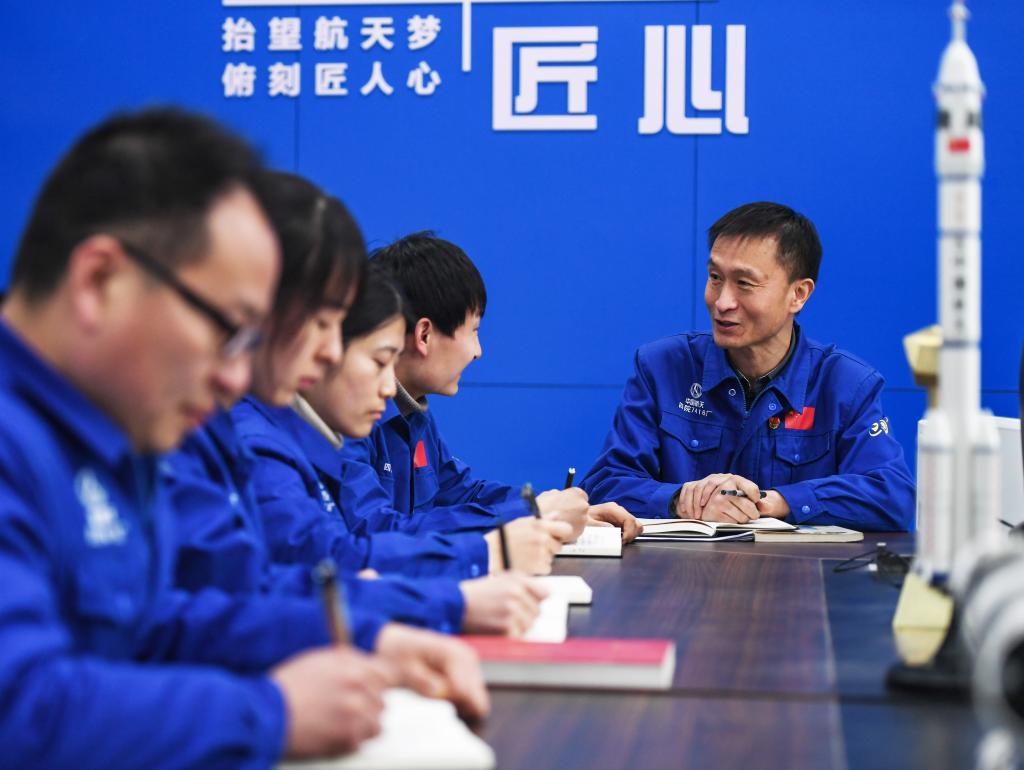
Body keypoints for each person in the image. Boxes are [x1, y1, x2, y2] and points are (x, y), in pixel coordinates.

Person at [0, 109, 484, 769]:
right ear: (98, 282)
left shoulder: (108, 431)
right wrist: (271, 714)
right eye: (228, 329)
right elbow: (21, 711)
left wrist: (368, 635)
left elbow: (163, 624)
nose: (236, 377)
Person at [167, 171, 544, 637]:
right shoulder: (255, 439)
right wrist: (482, 559)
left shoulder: (285, 435)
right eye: (317, 324)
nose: (328, 350)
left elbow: (282, 588)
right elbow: (334, 561)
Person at [580, 201, 915, 531]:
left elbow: (893, 496)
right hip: (680, 566)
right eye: (715, 278)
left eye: (744, 283)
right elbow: (604, 484)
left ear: (798, 294)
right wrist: (682, 499)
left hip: (798, 568)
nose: (722, 302)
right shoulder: (663, 367)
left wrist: (774, 502)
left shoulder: (845, 384)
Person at [339, 233, 642, 545]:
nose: (478, 351)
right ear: (424, 335)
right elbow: (375, 530)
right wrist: (532, 512)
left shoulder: (416, 413)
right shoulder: (350, 417)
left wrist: (553, 510)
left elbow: (461, 493)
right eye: (474, 330)